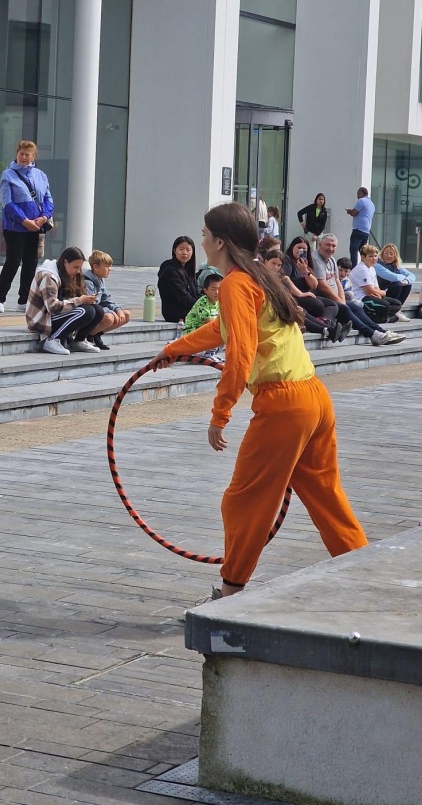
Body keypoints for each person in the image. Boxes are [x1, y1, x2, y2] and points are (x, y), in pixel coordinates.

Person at [150, 202, 368, 599]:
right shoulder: (258, 276)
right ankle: (367, 571)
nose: (200, 240)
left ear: (219, 241)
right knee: (326, 498)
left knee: (244, 501)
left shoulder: (235, 283)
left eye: (203, 234)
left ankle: (231, 591)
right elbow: (223, 328)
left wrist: (220, 413)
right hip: (314, 398)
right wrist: (173, 349)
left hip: (283, 405)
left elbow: (240, 353)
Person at [0, 141, 54, 313]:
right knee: (13, 261)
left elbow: (48, 199)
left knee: (31, 263)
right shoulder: (8, 174)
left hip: (36, 226)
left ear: (33, 157)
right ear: (17, 154)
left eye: (28, 154)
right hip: (14, 227)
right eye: (21, 154)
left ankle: (24, 300)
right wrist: (25, 220)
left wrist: (43, 217)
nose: (24, 157)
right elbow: (7, 202)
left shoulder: (41, 175)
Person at [311, 233, 403, 345]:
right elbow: (323, 286)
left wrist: (342, 300)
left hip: (337, 298)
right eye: (328, 245)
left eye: (333, 246)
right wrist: (340, 301)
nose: (331, 248)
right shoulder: (315, 259)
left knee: (355, 308)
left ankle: (381, 331)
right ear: (320, 244)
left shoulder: (332, 260)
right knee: (346, 309)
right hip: (324, 298)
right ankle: (372, 334)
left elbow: (337, 282)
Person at [26, 246, 103, 355]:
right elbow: (52, 307)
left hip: (56, 316)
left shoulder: (70, 274)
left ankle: (79, 341)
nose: (78, 271)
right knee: (86, 311)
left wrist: (87, 299)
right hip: (42, 320)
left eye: (80, 268)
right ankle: (52, 340)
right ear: (65, 262)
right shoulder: (48, 276)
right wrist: (79, 301)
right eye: (75, 267)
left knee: (97, 310)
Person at [280, 236, 341, 341]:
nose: (301, 251)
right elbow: (285, 279)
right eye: (299, 247)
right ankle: (329, 329)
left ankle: (324, 323)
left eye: (304, 249)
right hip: (294, 295)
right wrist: (300, 294)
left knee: (333, 305)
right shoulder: (287, 261)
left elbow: (314, 285)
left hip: (308, 294)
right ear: (292, 247)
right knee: (316, 305)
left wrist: (305, 271)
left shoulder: (305, 263)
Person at [266, 248, 331, 338]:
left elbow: (294, 291)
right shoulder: (263, 277)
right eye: (273, 263)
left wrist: (302, 295)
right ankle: (326, 330)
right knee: (296, 311)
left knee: (302, 311)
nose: (276, 267)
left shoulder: (283, 278)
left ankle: (328, 329)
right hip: (274, 307)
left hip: (284, 304)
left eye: (279, 265)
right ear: (266, 261)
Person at [82, 250, 131, 351]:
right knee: (109, 318)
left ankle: (95, 335)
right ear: (95, 267)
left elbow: (107, 300)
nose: (110, 269)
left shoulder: (100, 280)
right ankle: (86, 335)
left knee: (126, 315)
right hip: (89, 314)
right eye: (107, 266)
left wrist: (118, 310)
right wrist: (111, 312)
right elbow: (92, 305)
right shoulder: (87, 282)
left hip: (99, 311)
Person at [349, 244, 403, 325]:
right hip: (360, 298)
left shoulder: (371, 269)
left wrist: (379, 295)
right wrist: (383, 293)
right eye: (370, 256)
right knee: (386, 306)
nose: (374, 259)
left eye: (375, 256)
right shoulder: (362, 269)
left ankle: (383, 318)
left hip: (372, 295)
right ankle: (384, 318)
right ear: (363, 257)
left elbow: (375, 287)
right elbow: (369, 291)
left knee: (397, 304)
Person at [182, 270, 224, 361]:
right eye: (213, 289)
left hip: (206, 330)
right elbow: (208, 322)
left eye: (219, 289)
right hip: (192, 332)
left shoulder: (219, 302)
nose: (217, 292)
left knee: (225, 332)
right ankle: (208, 353)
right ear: (205, 290)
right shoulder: (203, 302)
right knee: (218, 330)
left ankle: (213, 353)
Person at [157, 236, 198, 323]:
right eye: (181, 249)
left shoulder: (187, 269)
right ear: (174, 250)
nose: (184, 253)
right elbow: (183, 297)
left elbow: (196, 292)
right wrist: (202, 306)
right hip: (176, 313)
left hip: (188, 309)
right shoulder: (170, 271)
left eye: (188, 250)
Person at [376, 244, 414, 313]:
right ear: (382, 254)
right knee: (397, 284)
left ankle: (397, 309)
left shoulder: (395, 265)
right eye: (386, 253)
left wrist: (407, 281)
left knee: (407, 284)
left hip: (389, 289)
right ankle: (391, 309)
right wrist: (404, 278)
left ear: (395, 256)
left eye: (391, 254)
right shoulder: (377, 265)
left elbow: (412, 276)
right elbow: (392, 277)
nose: (388, 256)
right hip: (380, 291)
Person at [346, 186, 375, 266]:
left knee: (353, 250)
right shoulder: (372, 204)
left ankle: (353, 269)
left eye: (358, 194)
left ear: (362, 193)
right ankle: (366, 266)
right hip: (366, 231)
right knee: (363, 252)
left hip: (358, 229)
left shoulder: (361, 201)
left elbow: (354, 213)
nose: (357, 196)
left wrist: (349, 211)